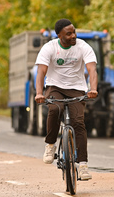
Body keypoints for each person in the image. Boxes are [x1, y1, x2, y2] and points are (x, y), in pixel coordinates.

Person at [35, 18, 98, 181]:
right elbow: (41, 72)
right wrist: (39, 93)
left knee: (78, 123)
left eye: (74, 32)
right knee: (55, 109)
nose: (73, 36)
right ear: (59, 35)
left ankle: (83, 165)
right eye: (68, 33)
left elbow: (92, 69)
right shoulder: (49, 48)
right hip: (55, 87)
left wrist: (93, 89)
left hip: (76, 88)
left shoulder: (83, 46)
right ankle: (50, 145)